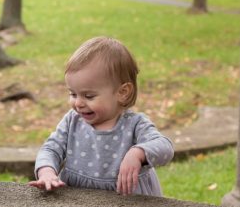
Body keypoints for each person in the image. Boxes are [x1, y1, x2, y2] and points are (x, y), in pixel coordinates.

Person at [29, 37, 174, 196]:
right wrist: (47, 171)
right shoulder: (72, 121)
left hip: (129, 203)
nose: (78, 103)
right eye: (73, 94)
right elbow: (51, 149)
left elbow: (165, 147)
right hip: (77, 200)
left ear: (122, 93)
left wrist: (138, 153)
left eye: (89, 96)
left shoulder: (134, 124)